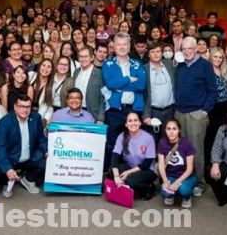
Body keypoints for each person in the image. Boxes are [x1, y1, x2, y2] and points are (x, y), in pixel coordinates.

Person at [174, 36, 217, 197]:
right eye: (183, 49)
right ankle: (184, 179)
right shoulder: (179, 65)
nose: (186, 52)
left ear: (197, 48)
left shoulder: (205, 65)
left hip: (196, 114)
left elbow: (213, 90)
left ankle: (200, 182)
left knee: (196, 150)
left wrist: (205, 110)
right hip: (179, 112)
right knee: (180, 150)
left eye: (189, 48)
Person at [102, 32, 146, 164]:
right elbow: (110, 84)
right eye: (118, 44)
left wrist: (119, 85)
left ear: (129, 46)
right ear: (114, 47)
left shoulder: (137, 64)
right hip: (115, 110)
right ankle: (112, 172)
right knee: (113, 143)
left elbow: (142, 84)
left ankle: (130, 173)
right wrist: (129, 79)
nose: (121, 47)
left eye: (124, 44)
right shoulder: (107, 64)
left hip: (133, 110)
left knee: (133, 143)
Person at [0, 94, 47, 198]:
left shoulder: (36, 118)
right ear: (15, 107)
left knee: (46, 161)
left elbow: (41, 139)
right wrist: (8, 169)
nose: (25, 110)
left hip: (29, 158)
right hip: (11, 159)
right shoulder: (5, 122)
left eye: (28, 107)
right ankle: (7, 182)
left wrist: (45, 150)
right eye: (22, 106)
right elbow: (0, 148)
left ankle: (28, 179)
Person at [110, 111, 157, 200]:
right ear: (126, 124)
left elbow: (146, 164)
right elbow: (115, 157)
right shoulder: (122, 136)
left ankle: (149, 187)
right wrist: (116, 176)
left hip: (147, 170)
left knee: (129, 180)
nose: (133, 123)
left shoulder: (148, 138)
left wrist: (128, 173)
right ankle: (128, 185)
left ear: (140, 123)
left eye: (136, 120)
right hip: (130, 167)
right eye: (130, 121)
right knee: (111, 170)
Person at [205, 47, 227, 172]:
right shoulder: (206, 71)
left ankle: (219, 163)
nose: (217, 59)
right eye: (215, 56)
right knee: (210, 136)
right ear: (211, 57)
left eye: (220, 57)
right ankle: (209, 164)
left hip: (225, 108)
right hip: (212, 108)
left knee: (222, 137)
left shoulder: (225, 72)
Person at [157, 119, 198, 208]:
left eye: (174, 129)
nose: (171, 132)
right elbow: (161, 164)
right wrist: (165, 181)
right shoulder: (162, 142)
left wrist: (177, 182)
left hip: (187, 177)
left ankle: (187, 197)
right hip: (171, 175)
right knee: (164, 192)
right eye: (168, 129)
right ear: (165, 130)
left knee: (184, 190)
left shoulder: (186, 143)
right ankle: (171, 195)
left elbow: (190, 169)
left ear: (179, 130)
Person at [143, 42, 176, 140]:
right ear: (148, 54)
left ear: (162, 53)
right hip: (153, 111)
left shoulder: (170, 65)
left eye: (158, 51)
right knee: (153, 140)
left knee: (169, 140)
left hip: (170, 110)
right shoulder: (143, 69)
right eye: (152, 52)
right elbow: (142, 95)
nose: (156, 54)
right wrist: (145, 115)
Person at [73, 46, 105, 123]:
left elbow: (103, 98)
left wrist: (100, 118)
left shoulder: (99, 73)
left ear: (92, 57)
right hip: (75, 112)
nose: (83, 59)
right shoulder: (76, 72)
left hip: (92, 114)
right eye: (81, 56)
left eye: (86, 56)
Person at [31, 59, 55, 125]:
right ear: (39, 67)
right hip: (25, 113)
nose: (45, 68)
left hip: (39, 117)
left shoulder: (52, 85)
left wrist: (44, 121)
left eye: (49, 67)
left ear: (51, 71)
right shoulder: (31, 76)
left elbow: (50, 107)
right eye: (43, 65)